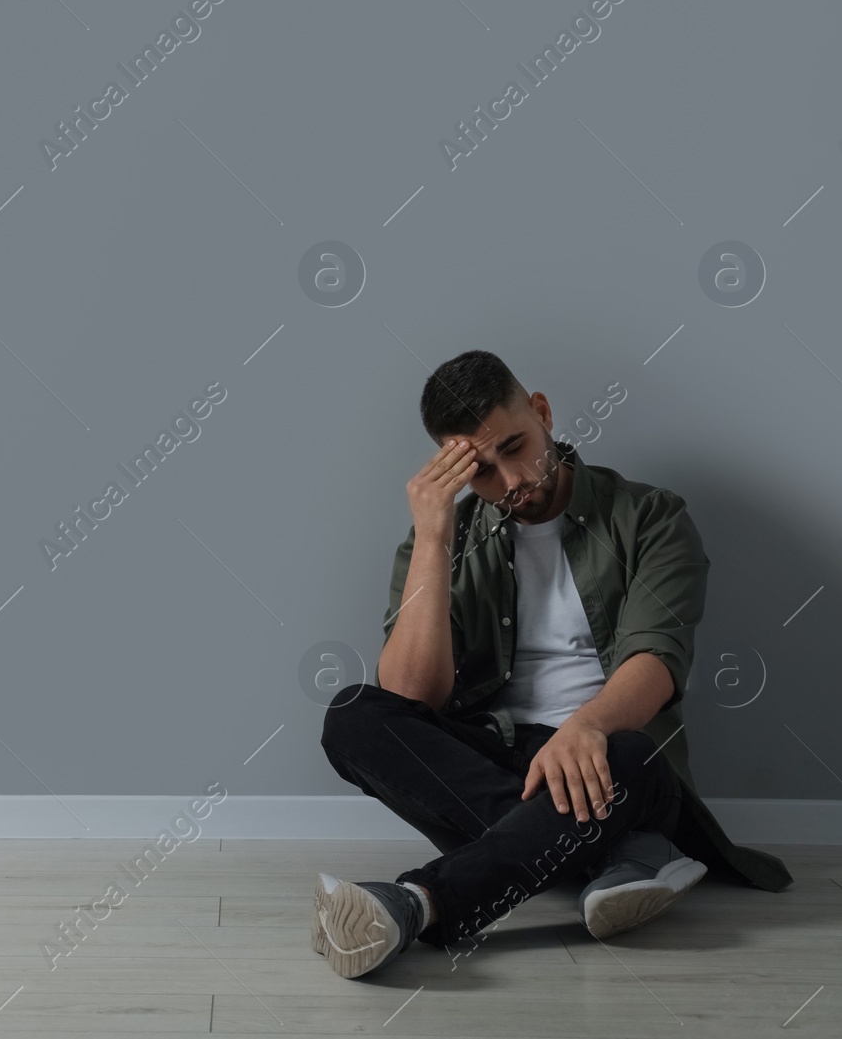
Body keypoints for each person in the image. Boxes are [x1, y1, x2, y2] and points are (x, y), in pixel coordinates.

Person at [315, 350, 791, 979]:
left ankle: (413, 903)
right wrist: (432, 536)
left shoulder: (650, 516)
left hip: (615, 757)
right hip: (496, 755)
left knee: (633, 755)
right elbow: (409, 697)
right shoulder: (443, 542)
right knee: (353, 715)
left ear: (541, 412)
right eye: (481, 471)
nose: (512, 480)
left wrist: (586, 727)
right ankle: (613, 850)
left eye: (516, 446)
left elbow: (656, 660)